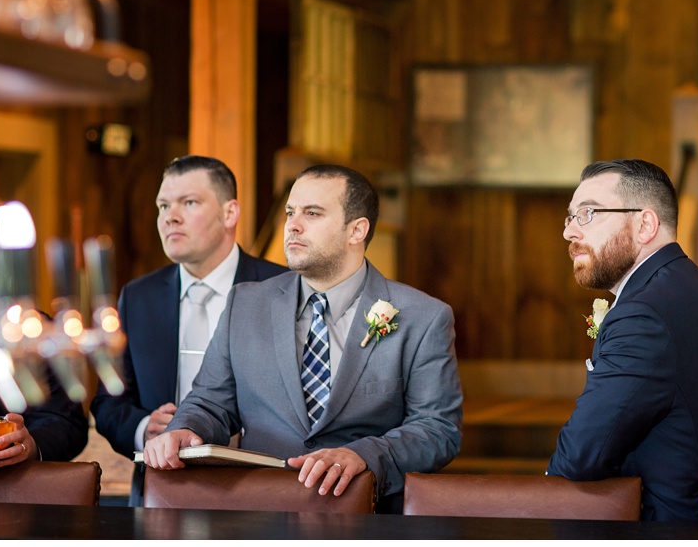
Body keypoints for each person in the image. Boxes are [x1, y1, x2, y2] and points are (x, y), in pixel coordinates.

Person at [145, 164, 463, 512]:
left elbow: (437, 429)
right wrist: (185, 428)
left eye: (312, 213)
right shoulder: (245, 304)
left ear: (356, 230)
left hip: (367, 520)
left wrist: (365, 455)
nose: (293, 225)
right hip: (258, 518)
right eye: (290, 212)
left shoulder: (423, 316)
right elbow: (211, 403)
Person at [546, 159, 698, 522]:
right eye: (570, 217)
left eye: (588, 213)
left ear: (645, 224)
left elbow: (580, 456)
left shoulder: (644, 315)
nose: (569, 232)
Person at [91, 155, 287, 502]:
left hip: (260, 489)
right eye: (163, 205)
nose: (170, 216)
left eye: (189, 202)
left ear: (229, 213)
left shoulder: (283, 288)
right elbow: (109, 400)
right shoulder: (138, 297)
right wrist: (143, 428)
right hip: (162, 488)